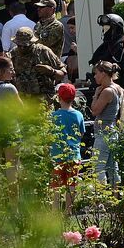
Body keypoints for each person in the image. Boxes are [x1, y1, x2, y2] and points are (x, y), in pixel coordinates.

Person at [90, 61, 124, 187]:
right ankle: (115, 197)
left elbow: (94, 111)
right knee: (112, 167)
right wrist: (123, 113)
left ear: (103, 74)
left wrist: (95, 95)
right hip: (113, 131)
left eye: (97, 73)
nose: (95, 76)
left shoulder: (107, 91)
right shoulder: (118, 88)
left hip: (103, 133)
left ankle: (101, 200)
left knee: (98, 167)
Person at [51, 83, 85, 213]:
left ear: (58, 98)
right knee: (72, 183)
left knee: (56, 184)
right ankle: (68, 210)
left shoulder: (54, 116)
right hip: (74, 154)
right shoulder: (78, 115)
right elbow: (81, 133)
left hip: (57, 154)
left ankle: (55, 209)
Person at [9, 27, 67, 100]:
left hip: (43, 99)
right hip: (22, 100)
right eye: (19, 45)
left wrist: (52, 72)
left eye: (26, 46)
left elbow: (63, 72)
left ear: (32, 42)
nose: (22, 48)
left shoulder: (43, 51)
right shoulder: (13, 54)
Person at [90, 14, 124, 93]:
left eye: (107, 28)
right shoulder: (103, 48)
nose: (105, 32)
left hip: (120, 94)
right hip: (103, 92)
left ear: (116, 29)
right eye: (103, 28)